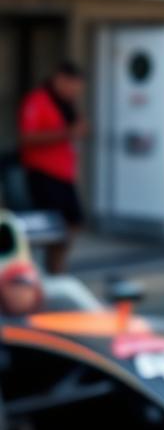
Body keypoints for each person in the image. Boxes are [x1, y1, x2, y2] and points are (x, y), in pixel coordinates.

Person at [17, 61, 87, 273]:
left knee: (72, 222)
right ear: (60, 79)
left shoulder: (66, 102)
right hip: (43, 174)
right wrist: (68, 133)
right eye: (71, 85)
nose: (74, 92)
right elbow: (27, 138)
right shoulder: (38, 101)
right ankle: (34, 269)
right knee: (48, 228)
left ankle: (55, 267)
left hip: (64, 175)